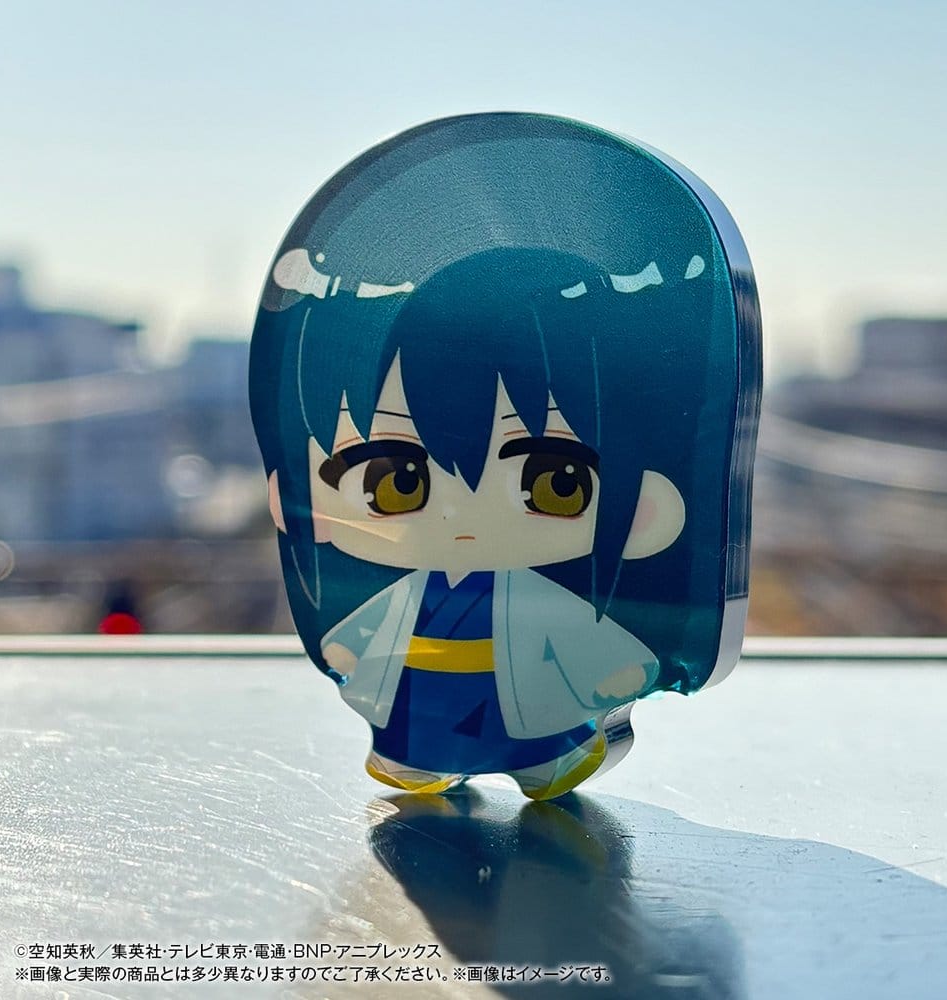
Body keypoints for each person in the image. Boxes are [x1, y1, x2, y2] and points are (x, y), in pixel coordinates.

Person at [249, 113, 759, 798]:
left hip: (532, 705)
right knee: (425, 724)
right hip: (415, 698)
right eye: (395, 484)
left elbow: (581, 643)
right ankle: (419, 753)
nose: (459, 516)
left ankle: (543, 754)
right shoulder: (416, 599)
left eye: (553, 483)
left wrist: (612, 676)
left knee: (538, 720)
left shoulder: (545, 603)